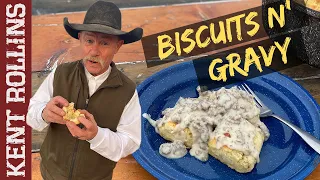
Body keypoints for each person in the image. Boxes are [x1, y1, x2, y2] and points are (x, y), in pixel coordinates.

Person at [27, 1, 143, 179]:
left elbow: (129, 144)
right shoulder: (61, 73)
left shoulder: (127, 91)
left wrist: (96, 135)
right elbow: (31, 115)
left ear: (117, 46)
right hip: (51, 173)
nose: (94, 51)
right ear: (80, 38)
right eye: (89, 40)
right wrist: (44, 113)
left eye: (104, 43)